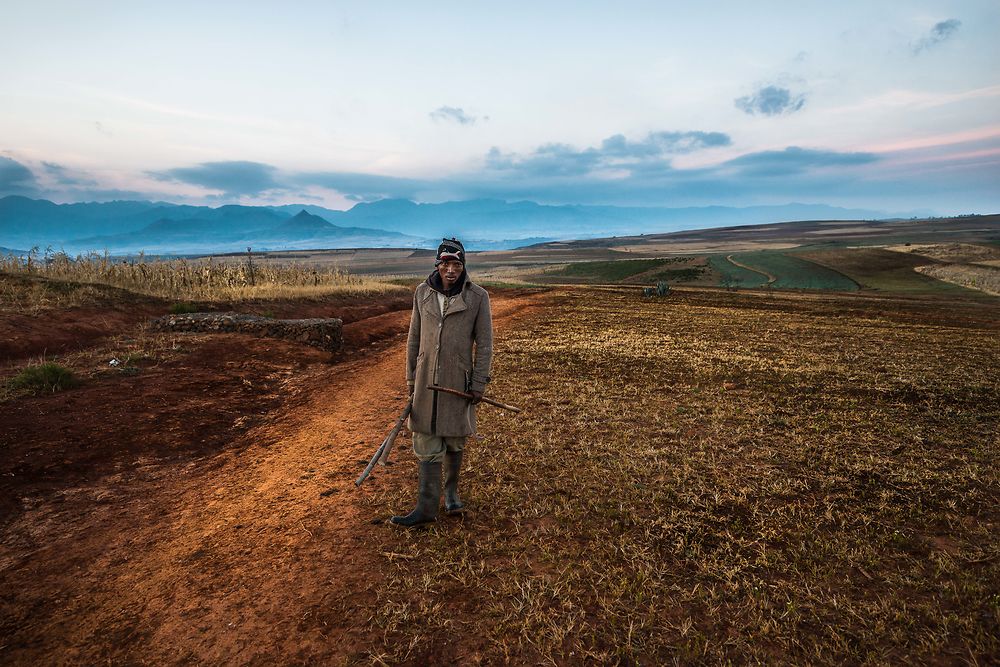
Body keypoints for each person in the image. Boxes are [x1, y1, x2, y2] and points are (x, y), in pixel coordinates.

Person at [391, 238, 493, 527]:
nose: (451, 270)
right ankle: (426, 508)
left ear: (463, 267)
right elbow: (413, 339)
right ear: (438, 264)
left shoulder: (477, 297)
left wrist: (478, 383)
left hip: (457, 382)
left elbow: (485, 345)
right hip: (425, 381)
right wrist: (412, 378)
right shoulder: (422, 293)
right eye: (446, 264)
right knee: (425, 437)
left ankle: (451, 495)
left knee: (454, 439)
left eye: (457, 265)